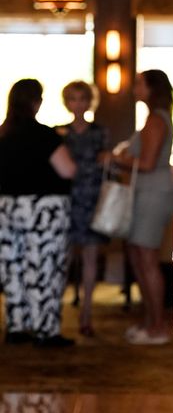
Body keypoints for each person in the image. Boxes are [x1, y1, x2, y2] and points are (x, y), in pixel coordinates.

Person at [0, 79, 76, 347]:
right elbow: (68, 170)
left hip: (8, 207)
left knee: (14, 267)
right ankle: (45, 331)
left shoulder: (3, 133)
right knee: (44, 268)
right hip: (44, 210)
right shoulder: (45, 135)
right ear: (34, 102)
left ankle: (17, 326)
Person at [112, 70, 173, 345]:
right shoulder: (155, 118)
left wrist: (115, 157)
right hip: (148, 191)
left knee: (147, 258)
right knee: (139, 255)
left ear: (152, 88)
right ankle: (150, 320)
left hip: (154, 191)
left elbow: (149, 163)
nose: (134, 87)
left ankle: (158, 326)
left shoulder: (156, 119)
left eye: (139, 83)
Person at [60, 80, 108, 337]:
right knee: (63, 258)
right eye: (73, 99)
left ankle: (86, 313)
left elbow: (106, 165)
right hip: (66, 201)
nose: (77, 104)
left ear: (90, 102)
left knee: (90, 257)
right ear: (66, 102)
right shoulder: (59, 132)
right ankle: (53, 314)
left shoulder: (100, 133)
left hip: (91, 200)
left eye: (82, 99)